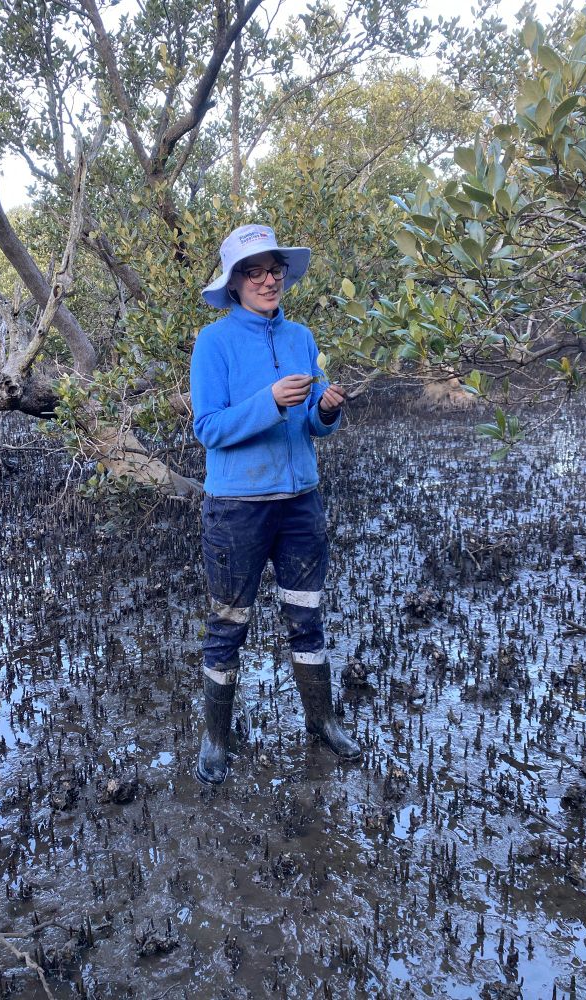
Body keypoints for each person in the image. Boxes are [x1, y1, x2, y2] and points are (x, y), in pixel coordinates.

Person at [190, 223, 361, 785]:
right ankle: (216, 740)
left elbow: (312, 423)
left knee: (306, 619)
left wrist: (327, 408)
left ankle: (323, 723)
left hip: (300, 504)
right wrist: (268, 401)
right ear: (234, 283)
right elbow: (208, 429)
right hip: (237, 509)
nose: (268, 280)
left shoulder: (302, 338)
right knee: (227, 625)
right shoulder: (212, 343)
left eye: (274, 270)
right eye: (253, 271)